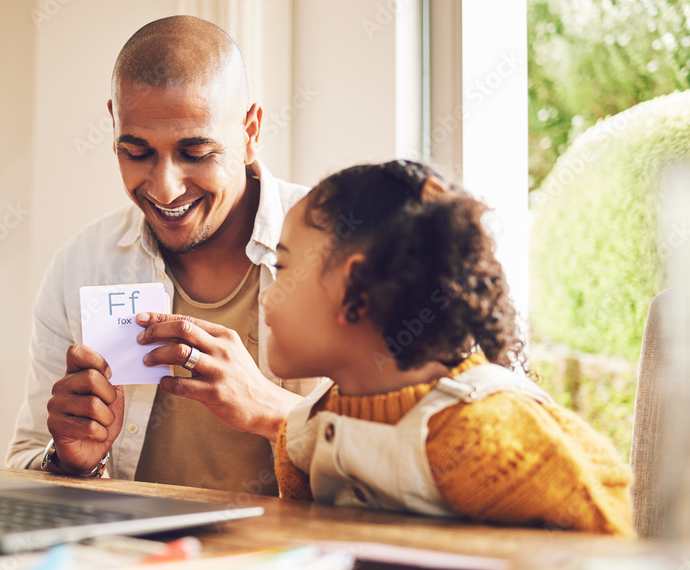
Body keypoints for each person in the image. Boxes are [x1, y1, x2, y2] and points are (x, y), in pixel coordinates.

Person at [6, 16, 320, 493]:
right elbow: (27, 461)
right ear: (114, 123)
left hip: (293, 560)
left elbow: (414, 452)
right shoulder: (81, 266)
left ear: (250, 131)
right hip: (136, 561)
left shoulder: (338, 246)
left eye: (195, 153)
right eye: (136, 151)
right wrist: (73, 461)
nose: (165, 188)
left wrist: (275, 412)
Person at [265, 160, 633, 535]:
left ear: (354, 288)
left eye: (281, 267)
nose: (265, 296)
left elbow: (609, 548)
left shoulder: (487, 437)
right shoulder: (301, 436)